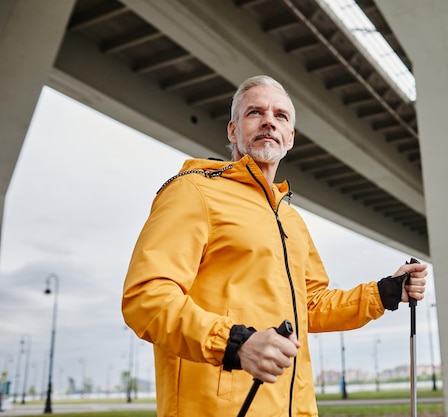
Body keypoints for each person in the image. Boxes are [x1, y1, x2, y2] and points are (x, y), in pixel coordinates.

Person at [122, 74, 428, 417]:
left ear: (291, 137)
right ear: (233, 131)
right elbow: (146, 299)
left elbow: (308, 306)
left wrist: (384, 292)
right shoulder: (193, 192)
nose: (269, 120)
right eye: (255, 112)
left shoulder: (291, 219)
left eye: (281, 116)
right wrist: (236, 344)